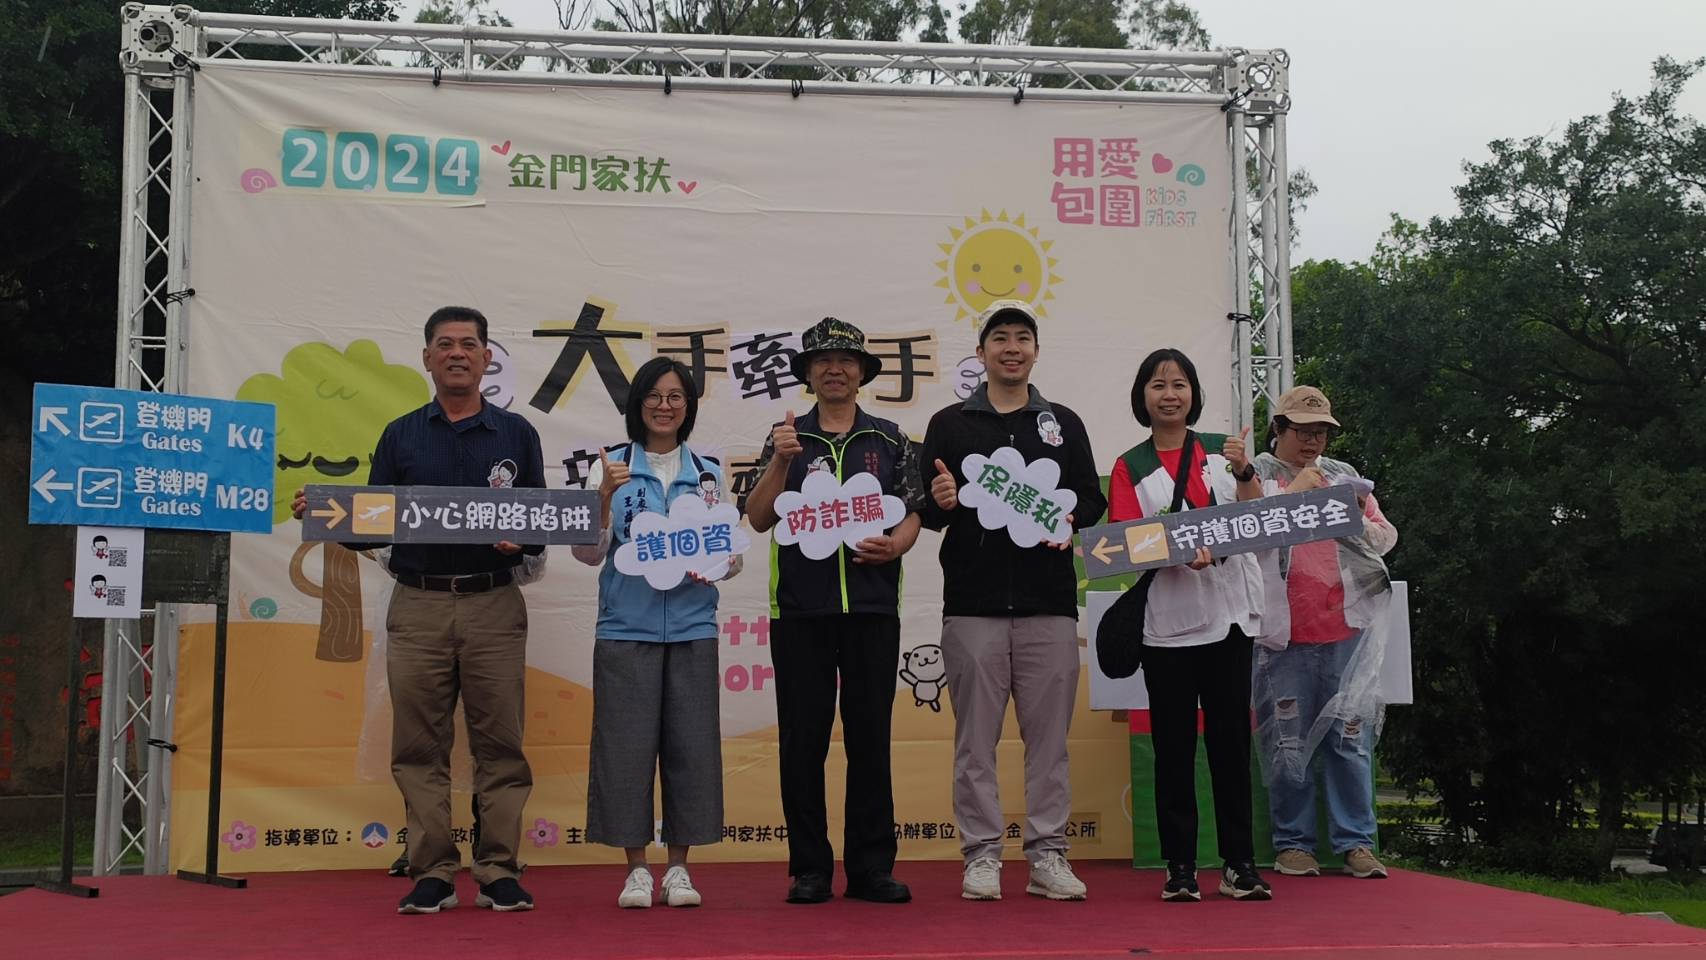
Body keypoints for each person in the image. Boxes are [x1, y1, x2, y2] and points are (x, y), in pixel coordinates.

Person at [291, 306, 545, 915]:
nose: (457, 353)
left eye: (469, 344)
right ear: (427, 357)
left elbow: (540, 525)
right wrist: (327, 512)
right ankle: (431, 869)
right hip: (419, 606)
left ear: (488, 358)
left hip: (493, 603)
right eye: (445, 344)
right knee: (418, 744)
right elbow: (375, 526)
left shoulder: (517, 436)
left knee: (500, 742)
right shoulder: (400, 435)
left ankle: (498, 870)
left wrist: (524, 539)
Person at [920, 299, 1107, 902]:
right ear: (980, 354)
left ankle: (1049, 854)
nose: (1011, 347)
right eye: (999, 338)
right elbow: (927, 504)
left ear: (1034, 350)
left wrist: (1072, 515)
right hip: (972, 606)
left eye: (1022, 337)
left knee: (1048, 742)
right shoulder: (950, 424)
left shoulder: (1062, 423)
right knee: (975, 740)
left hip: (1049, 605)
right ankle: (981, 856)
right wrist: (941, 499)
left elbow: (1089, 499)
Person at [744, 317, 927, 905]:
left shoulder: (890, 438)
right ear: (807, 373)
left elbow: (914, 509)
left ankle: (871, 867)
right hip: (800, 610)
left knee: (871, 738)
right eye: (822, 360)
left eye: (846, 360)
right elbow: (758, 516)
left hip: (873, 607)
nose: (835, 369)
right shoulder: (788, 437)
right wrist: (779, 459)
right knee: (804, 741)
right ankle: (809, 868)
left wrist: (897, 544)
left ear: (862, 372)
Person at [1104, 347, 1271, 903]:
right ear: (1142, 397)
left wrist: (1246, 469)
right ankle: (1180, 867)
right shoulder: (1131, 464)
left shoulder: (1222, 453)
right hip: (1169, 627)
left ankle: (1239, 864)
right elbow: (1126, 542)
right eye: (1157, 385)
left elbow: (1257, 517)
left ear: (1194, 394)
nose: (1169, 394)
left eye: (1178, 384)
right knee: (1174, 748)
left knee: (1229, 745)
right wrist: (1179, 550)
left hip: (1229, 622)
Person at [573, 357, 737, 908]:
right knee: (626, 750)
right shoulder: (609, 466)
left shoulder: (709, 471)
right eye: (654, 395)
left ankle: (680, 869)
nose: (664, 406)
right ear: (637, 402)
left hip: (693, 626)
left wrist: (712, 563)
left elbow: (730, 557)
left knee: (691, 748)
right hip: (625, 627)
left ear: (688, 407)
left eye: (676, 396)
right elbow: (586, 553)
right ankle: (637, 869)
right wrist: (600, 500)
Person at [1252, 386, 1398, 881]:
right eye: (1302, 430)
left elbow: (1384, 537)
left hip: (1346, 628)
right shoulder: (1258, 476)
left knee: (1348, 737)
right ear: (1279, 429)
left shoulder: (1346, 478)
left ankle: (1356, 842)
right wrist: (1298, 497)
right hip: (1282, 633)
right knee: (1287, 738)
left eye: (1322, 432)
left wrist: (1349, 512)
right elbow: (1245, 535)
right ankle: (1293, 843)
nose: (1313, 440)